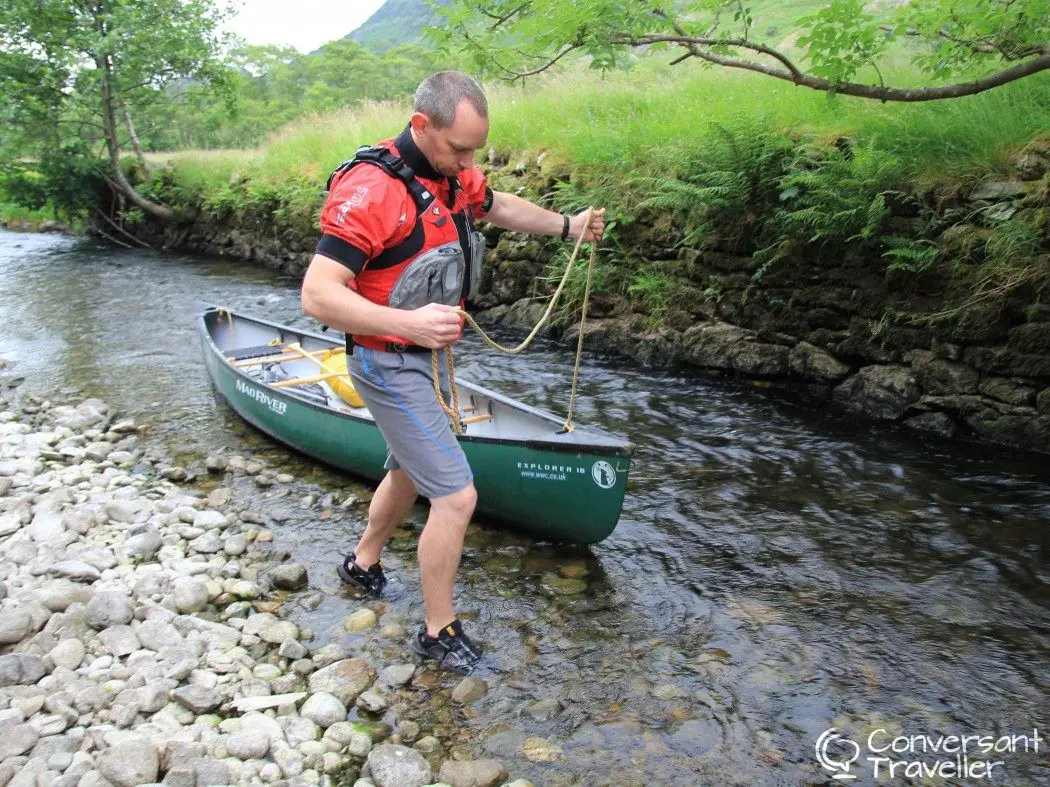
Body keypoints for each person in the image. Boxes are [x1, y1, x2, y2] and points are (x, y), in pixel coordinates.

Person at [301, 71, 605, 674]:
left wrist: (568, 225)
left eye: (475, 150)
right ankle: (438, 630)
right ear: (421, 126)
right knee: (458, 494)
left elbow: (498, 207)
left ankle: (362, 564)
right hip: (386, 361)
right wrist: (409, 325)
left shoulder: (451, 176)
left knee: (410, 470)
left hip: (424, 357)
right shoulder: (370, 189)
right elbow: (317, 296)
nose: (469, 162)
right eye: (459, 148)